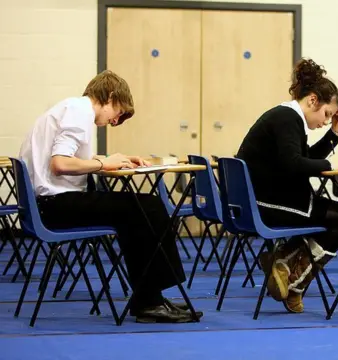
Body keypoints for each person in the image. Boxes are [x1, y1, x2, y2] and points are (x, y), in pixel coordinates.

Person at [19, 70, 202, 323]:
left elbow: (72, 160)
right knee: (148, 206)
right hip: (54, 206)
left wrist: (114, 159)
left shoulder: (70, 108)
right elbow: (60, 164)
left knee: (136, 212)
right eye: (119, 113)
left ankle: (149, 297)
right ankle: (149, 300)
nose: (116, 121)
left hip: (46, 205)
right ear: (111, 97)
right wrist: (103, 165)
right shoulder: (79, 111)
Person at [236, 58, 338, 313]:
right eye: (326, 114)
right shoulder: (287, 118)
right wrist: (330, 165)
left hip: (263, 200)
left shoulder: (286, 116)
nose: (326, 121)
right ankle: (293, 280)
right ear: (313, 100)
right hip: (267, 204)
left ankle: (284, 261)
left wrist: (335, 133)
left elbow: (304, 159)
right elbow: (294, 164)